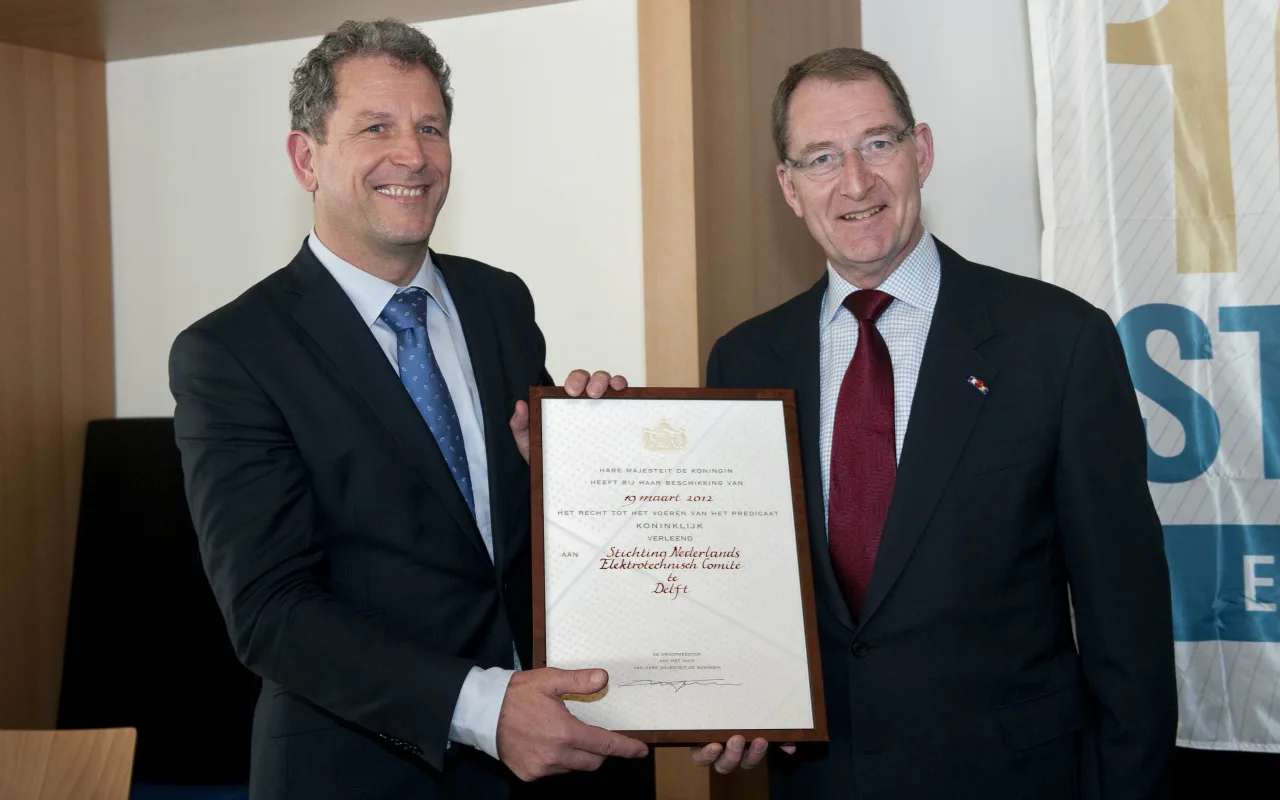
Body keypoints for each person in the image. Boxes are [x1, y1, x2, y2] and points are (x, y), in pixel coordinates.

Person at [169, 19, 650, 800]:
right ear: (306, 159)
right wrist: (485, 709)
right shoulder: (232, 353)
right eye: (376, 128)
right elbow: (270, 612)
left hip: (555, 767)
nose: (413, 155)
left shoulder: (499, 301)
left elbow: (518, 548)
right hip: (364, 773)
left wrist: (586, 466)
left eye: (430, 127)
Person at [693, 47, 1177, 798]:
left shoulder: (1059, 341)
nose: (856, 182)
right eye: (822, 158)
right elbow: (734, 580)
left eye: (877, 143)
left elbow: (1127, 621)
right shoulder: (744, 360)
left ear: (920, 151)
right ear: (789, 187)